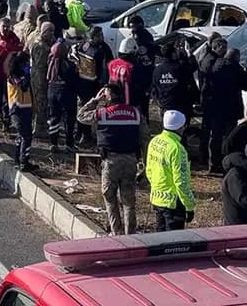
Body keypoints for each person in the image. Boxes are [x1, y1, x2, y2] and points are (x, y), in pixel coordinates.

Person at [78, 83, 147, 235]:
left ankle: (116, 233)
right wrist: (145, 164)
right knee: (129, 201)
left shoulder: (102, 113)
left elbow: (81, 116)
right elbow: (144, 137)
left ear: (108, 96)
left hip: (110, 161)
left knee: (110, 198)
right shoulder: (135, 113)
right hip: (130, 160)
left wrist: (95, 100)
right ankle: (131, 234)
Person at [200, 48, 247, 174]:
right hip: (231, 109)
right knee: (229, 138)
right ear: (236, 57)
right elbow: (246, 86)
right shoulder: (237, 69)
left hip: (215, 107)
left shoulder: (215, 64)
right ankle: (226, 163)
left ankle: (213, 164)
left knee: (215, 137)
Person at [146, 109, 196, 230]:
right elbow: (181, 182)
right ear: (180, 128)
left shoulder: (154, 141)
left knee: (160, 239)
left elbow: (149, 170)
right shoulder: (177, 149)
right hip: (173, 203)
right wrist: (189, 206)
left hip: (157, 198)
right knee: (174, 244)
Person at [0, 17, 23, 130]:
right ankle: (0, 116)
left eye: (7, 26)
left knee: (7, 100)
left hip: (8, 76)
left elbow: (19, 53)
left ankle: (6, 120)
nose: (5, 29)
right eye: (3, 26)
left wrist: (6, 48)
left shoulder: (14, 39)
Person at [151, 43, 198, 123]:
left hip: (164, 106)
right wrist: (189, 55)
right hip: (180, 106)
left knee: (167, 128)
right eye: (176, 51)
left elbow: (154, 88)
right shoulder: (180, 68)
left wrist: (159, 101)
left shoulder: (157, 70)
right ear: (173, 54)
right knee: (180, 129)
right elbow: (192, 68)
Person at [6, 51, 37, 172]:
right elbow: (23, 86)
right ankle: (24, 161)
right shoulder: (14, 76)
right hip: (18, 109)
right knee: (26, 136)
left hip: (25, 108)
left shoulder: (20, 74)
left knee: (22, 135)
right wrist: (27, 75)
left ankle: (18, 158)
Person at [46, 41, 78, 153]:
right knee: (69, 119)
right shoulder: (69, 65)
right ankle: (69, 144)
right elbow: (75, 81)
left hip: (52, 91)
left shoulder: (50, 62)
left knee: (54, 118)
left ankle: (53, 143)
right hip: (66, 93)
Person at [128, 16, 157, 119]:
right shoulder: (144, 36)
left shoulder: (143, 38)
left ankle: (143, 121)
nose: (132, 30)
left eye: (133, 27)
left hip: (144, 74)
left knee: (142, 102)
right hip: (142, 72)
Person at [29, 21, 54, 137]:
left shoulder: (43, 43)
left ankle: (41, 125)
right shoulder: (41, 46)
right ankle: (38, 128)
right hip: (39, 78)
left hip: (39, 76)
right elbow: (41, 64)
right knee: (40, 103)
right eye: (50, 31)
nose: (52, 34)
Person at [108, 37, 138, 107]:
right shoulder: (130, 67)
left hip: (113, 101)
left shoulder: (111, 64)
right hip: (128, 103)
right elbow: (136, 86)